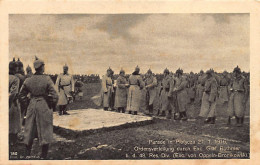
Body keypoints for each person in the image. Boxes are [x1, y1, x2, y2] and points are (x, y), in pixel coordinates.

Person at [19, 56, 58, 159]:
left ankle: (27, 154)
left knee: (29, 129)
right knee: (45, 130)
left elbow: (21, 94)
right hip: (44, 105)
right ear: (41, 67)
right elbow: (55, 95)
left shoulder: (28, 80)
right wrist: (52, 105)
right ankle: (43, 156)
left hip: (32, 105)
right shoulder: (47, 79)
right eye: (43, 66)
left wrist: (27, 104)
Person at [9, 58, 21, 146]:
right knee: (14, 122)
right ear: (14, 69)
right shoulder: (15, 79)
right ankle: (13, 141)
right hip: (11, 102)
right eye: (17, 68)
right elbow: (13, 93)